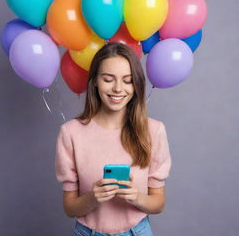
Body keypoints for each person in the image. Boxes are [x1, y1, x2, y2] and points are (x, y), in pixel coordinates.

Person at [55, 43, 172, 236]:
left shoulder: (154, 130)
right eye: (108, 79)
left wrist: (136, 197)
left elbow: (158, 204)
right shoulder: (70, 133)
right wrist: (93, 198)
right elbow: (70, 208)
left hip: (138, 231)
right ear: (94, 81)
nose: (118, 88)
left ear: (136, 85)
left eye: (128, 80)